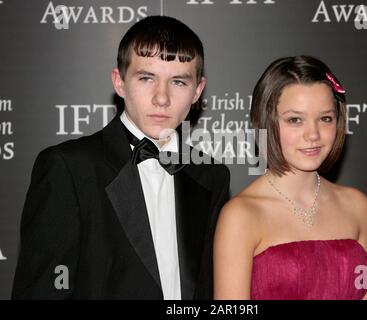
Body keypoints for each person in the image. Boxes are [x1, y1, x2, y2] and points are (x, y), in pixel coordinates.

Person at [12, 16, 230, 300]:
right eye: (146, 78)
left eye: (178, 81)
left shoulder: (212, 176)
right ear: (120, 82)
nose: (161, 98)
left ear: (197, 91)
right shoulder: (68, 169)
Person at [213, 56, 367, 300]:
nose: (313, 134)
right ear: (267, 122)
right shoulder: (241, 216)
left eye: (325, 118)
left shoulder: (357, 206)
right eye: (295, 120)